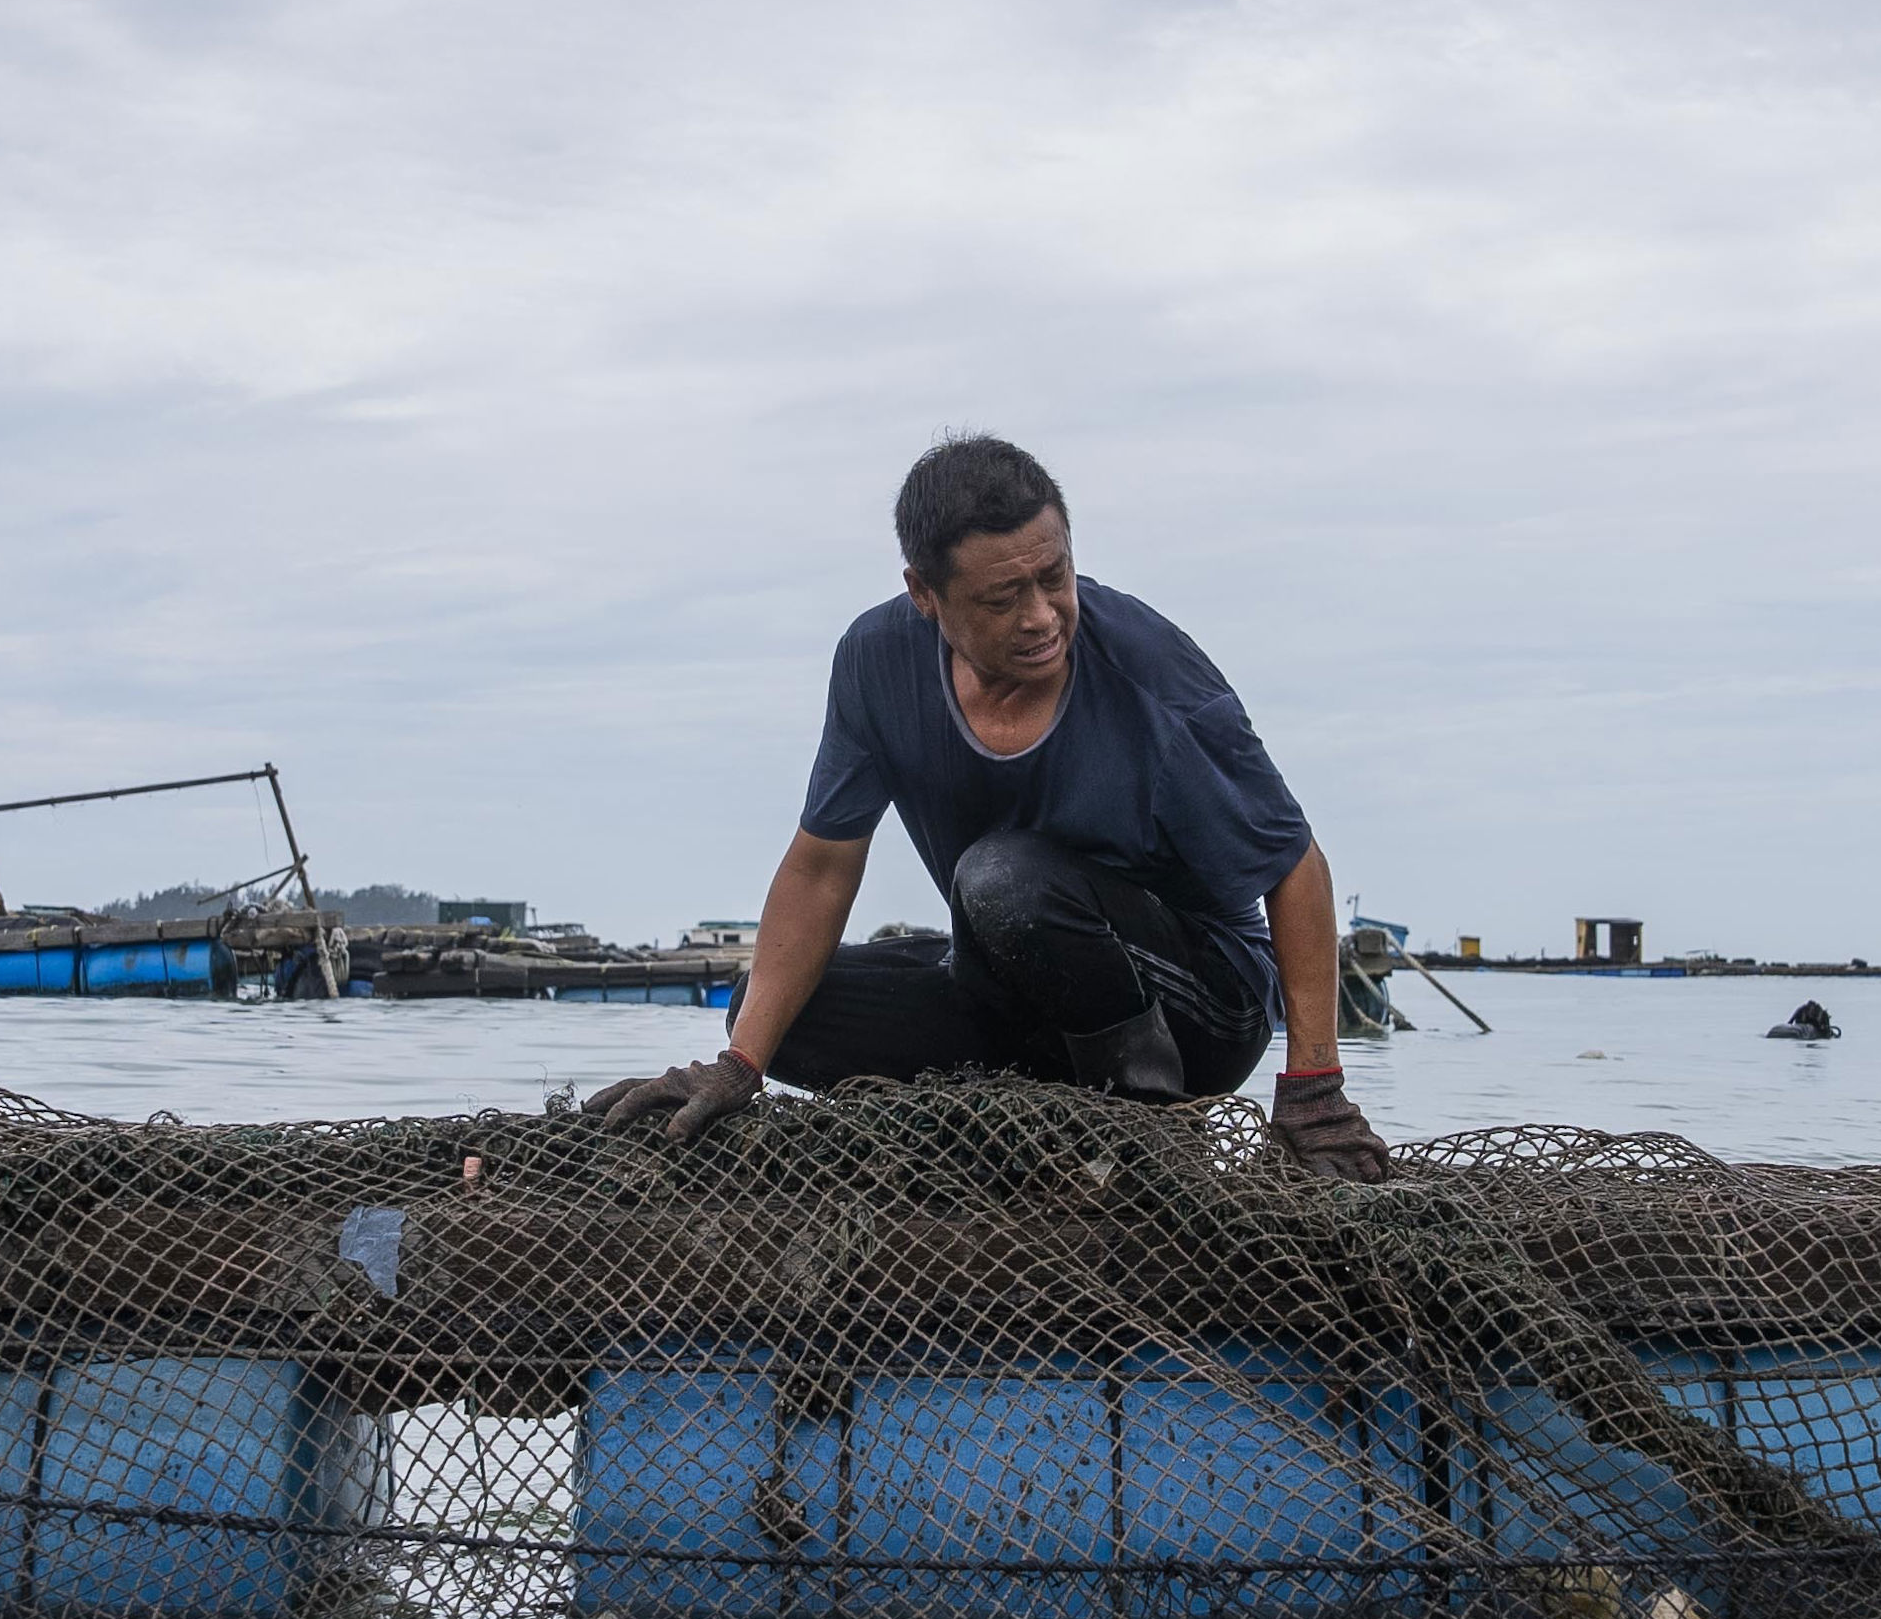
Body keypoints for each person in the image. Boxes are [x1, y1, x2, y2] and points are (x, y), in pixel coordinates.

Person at [590, 434, 1391, 1178]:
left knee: (1001, 877)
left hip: (1200, 1002)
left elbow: (1292, 864)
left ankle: (1144, 1127)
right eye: (1004, 597)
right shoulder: (876, 662)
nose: (1042, 617)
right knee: (772, 1012)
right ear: (925, 595)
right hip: (1013, 983)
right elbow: (821, 865)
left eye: (1054, 578)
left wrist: (1312, 1086)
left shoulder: (1149, 669)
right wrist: (742, 1065)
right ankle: (1026, 1128)